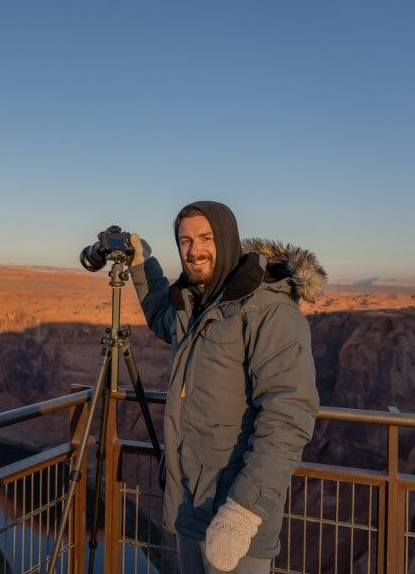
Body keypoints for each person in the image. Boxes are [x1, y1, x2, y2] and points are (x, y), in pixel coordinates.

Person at [128, 201, 323, 573]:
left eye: (205, 238)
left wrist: (243, 513)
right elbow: (160, 316)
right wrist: (142, 263)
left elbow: (288, 417)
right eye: (185, 241)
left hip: (236, 519)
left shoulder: (269, 311)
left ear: (229, 240)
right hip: (190, 506)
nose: (194, 250)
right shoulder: (196, 304)